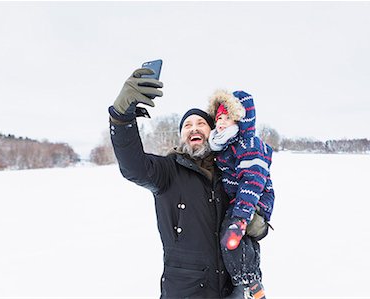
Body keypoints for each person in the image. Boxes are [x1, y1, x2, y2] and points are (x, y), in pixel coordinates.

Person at [108, 67, 233, 298]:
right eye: (187, 125)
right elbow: (133, 167)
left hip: (228, 289)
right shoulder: (169, 171)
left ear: (213, 131)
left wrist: (259, 224)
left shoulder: (227, 173)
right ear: (182, 136)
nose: (194, 128)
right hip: (184, 291)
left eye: (201, 123)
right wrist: (121, 117)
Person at [207, 90, 275, 299]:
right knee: (239, 239)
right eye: (218, 118)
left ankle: (248, 281)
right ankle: (251, 279)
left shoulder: (248, 144)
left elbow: (252, 182)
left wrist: (240, 218)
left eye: (227, 118)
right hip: (239, 204)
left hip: (253, 201)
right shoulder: (224, 147)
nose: (221, 123)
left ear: (240, 120)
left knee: (231, 236)